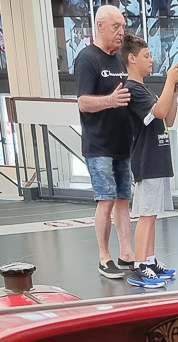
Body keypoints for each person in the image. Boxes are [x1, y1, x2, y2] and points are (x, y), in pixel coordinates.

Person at [75, 5, 134, 280]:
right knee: (106, 199)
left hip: (122, 143)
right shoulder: (88, 59)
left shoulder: (119, 60)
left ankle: (127, 254)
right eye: (116, 27)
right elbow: (83, 102)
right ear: (100, 26)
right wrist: (109, 101)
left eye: (122, 27)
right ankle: (104, 257)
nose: (121, 32)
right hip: (99, 145)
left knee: (123, 199)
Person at [123, 33, 178, 289]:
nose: (151, 60)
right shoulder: (132, 89)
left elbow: (168, 118)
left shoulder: (144, 89)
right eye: (146, 56)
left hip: (158, 158)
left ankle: (150, 260)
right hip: (146, 160)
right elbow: (159, 111)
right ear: (132, 58)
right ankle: (139, 267)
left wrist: (174, 93)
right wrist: (168, 81)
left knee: (152, 214)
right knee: (146, 215)